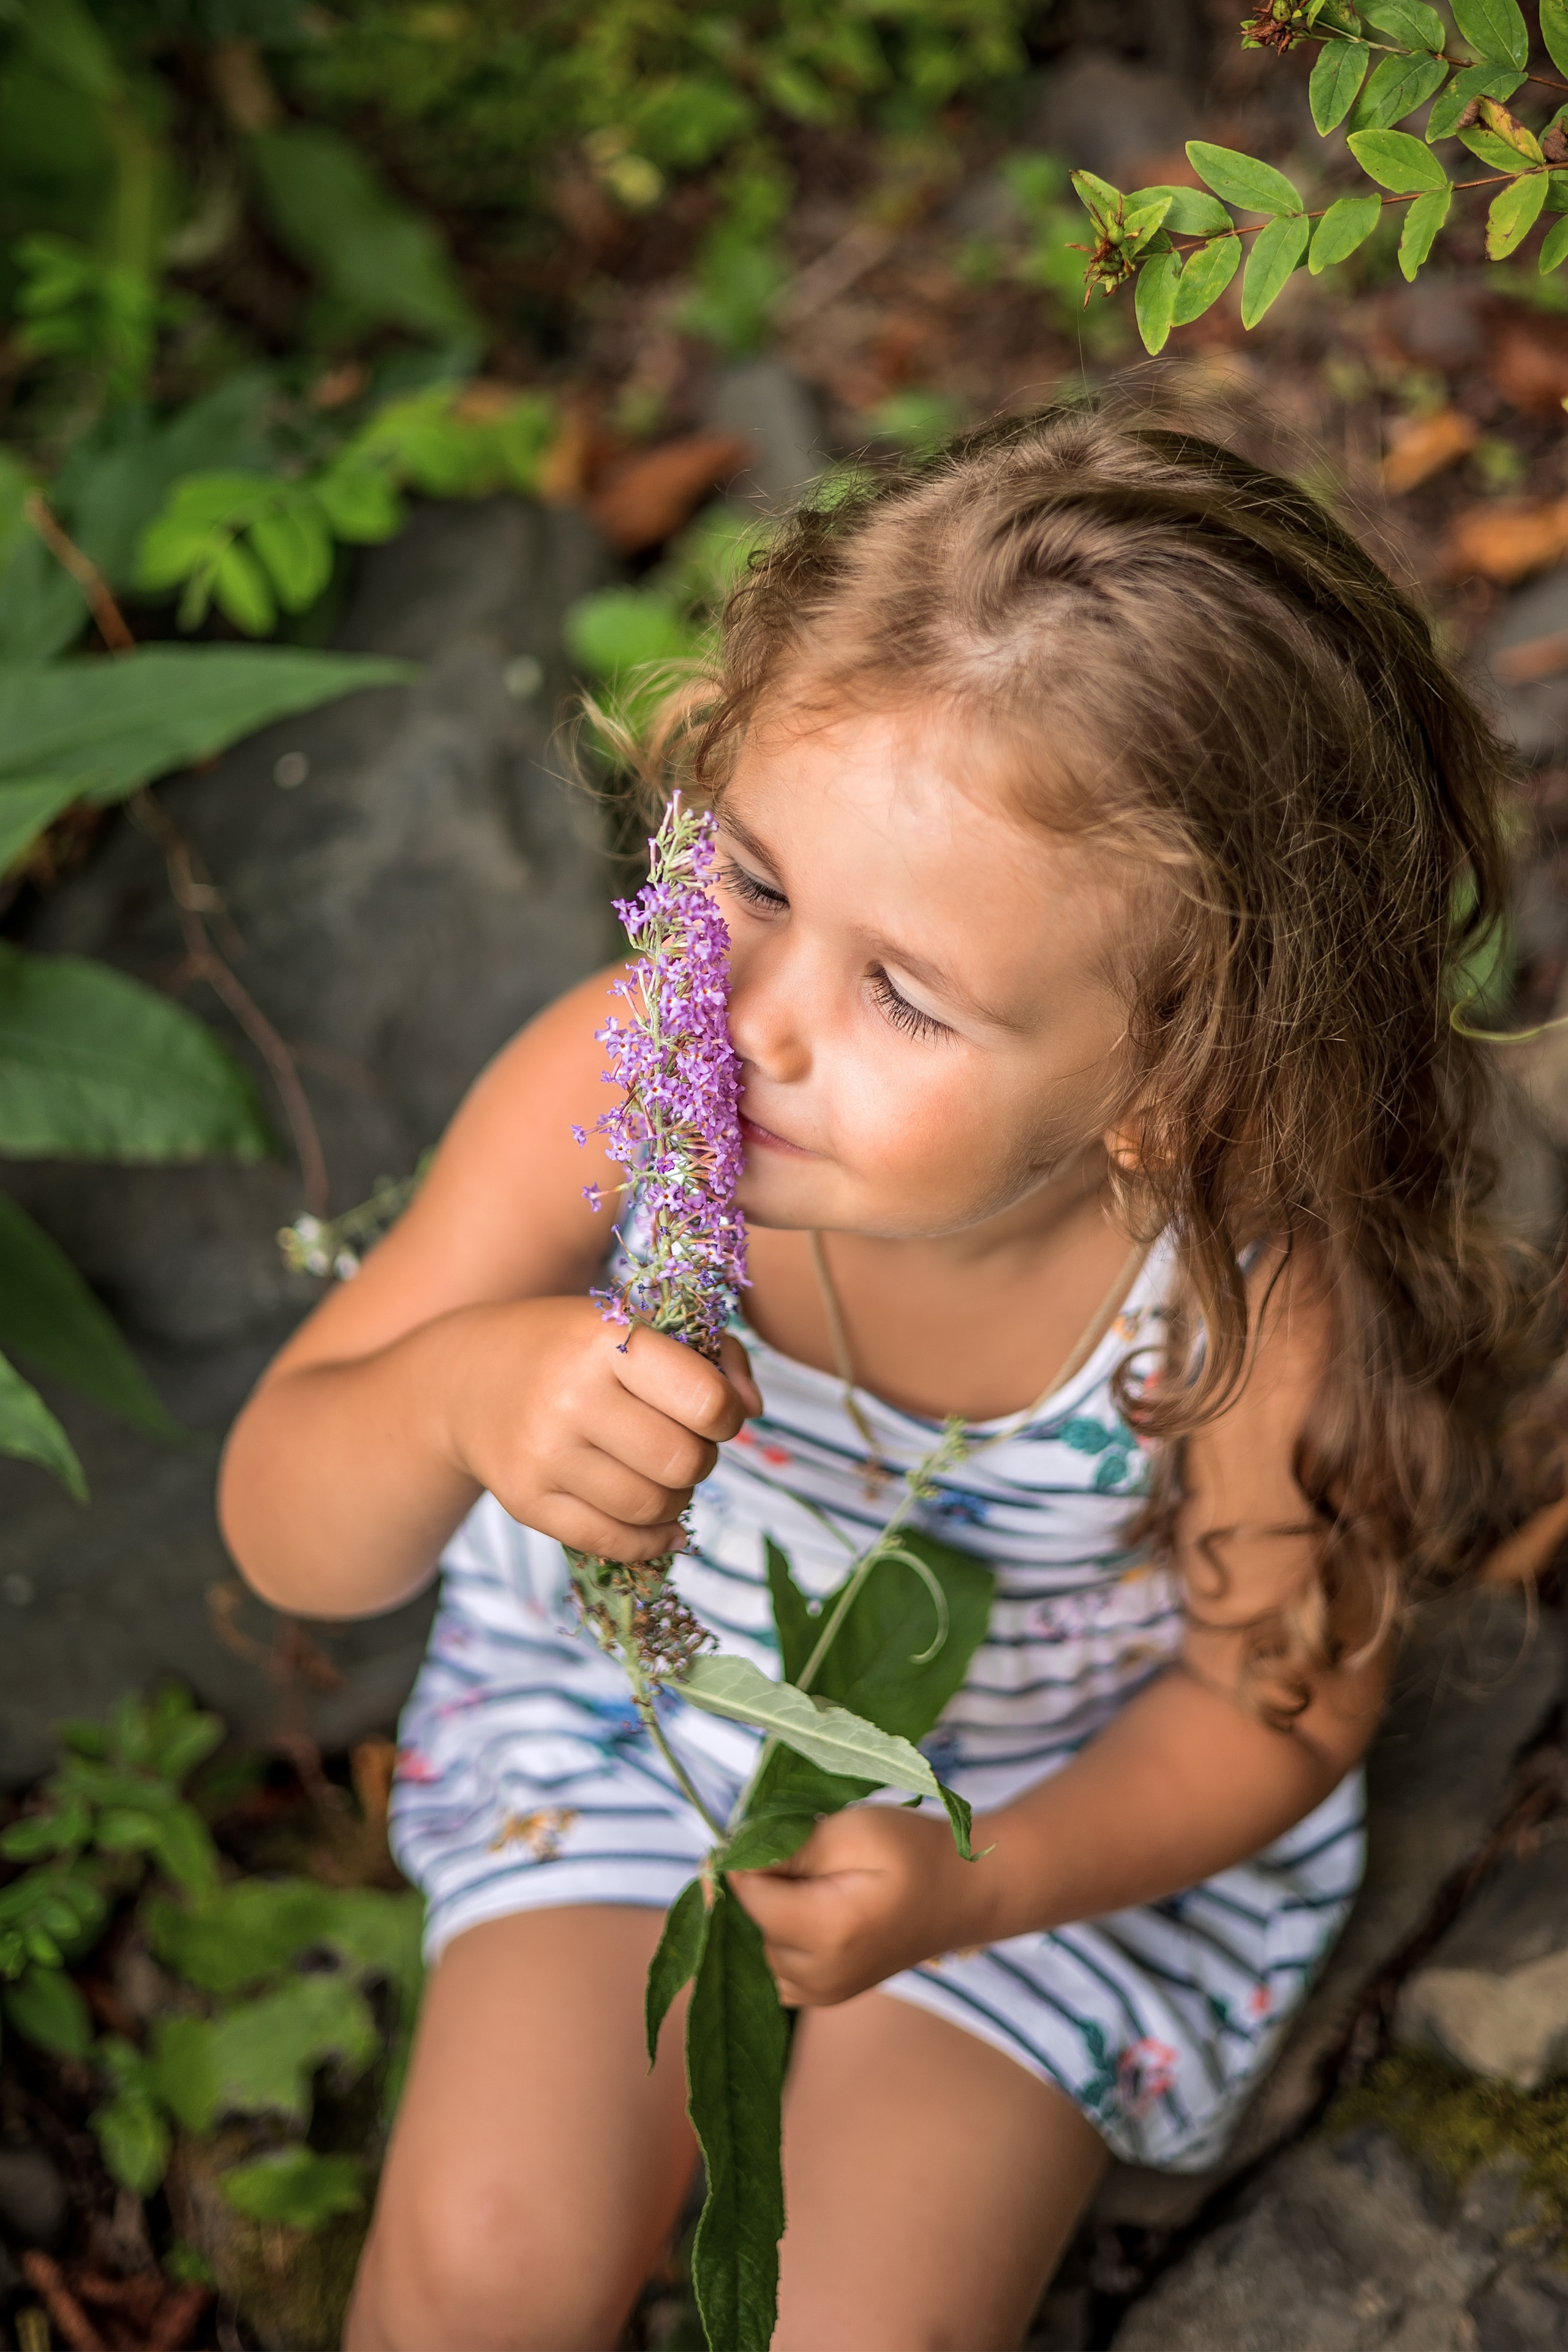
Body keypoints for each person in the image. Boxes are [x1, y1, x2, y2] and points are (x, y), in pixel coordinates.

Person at [219, 405, 1557, 2352]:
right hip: (627, 1723)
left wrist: (972, 1889)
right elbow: (292, 1539)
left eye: (902, 993)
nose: (750, 1025)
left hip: (1023, 1819)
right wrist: (456, 1399)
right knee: (479, 2268)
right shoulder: (611, 1090)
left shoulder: (1238, 1312)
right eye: (754, 884)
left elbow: (1273, 1706)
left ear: (1175, 1088)